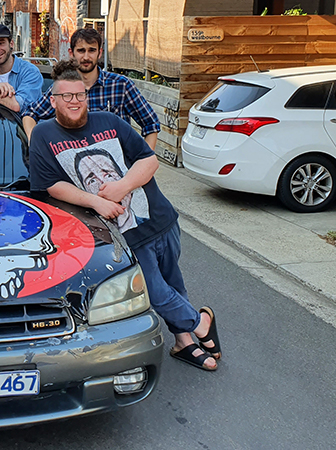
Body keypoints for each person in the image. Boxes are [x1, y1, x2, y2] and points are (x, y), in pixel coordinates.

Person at [29, 59, 222, 371]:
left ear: (86, 96)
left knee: (175, 284)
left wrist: (121, 187)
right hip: (123, 233)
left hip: (161, 219)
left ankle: (184, 343)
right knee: (157, 294)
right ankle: (201, 323)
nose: (74, 101)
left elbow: (149, 161)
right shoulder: (44, 135)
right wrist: (96, 201)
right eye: (66, 96)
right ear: (53, 100)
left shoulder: (110, 121)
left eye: (80, 94)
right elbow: (51, 185)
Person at [22, 28, 160, 149]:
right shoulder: (62, 88)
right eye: (81, 51)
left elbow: (151, 123)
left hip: (118, 173)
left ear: (99, 53)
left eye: (91, 50)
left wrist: (143, 160)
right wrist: (34, 142)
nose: (86, 57)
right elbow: (30, 113)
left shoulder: (121, 85)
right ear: (71, 53)